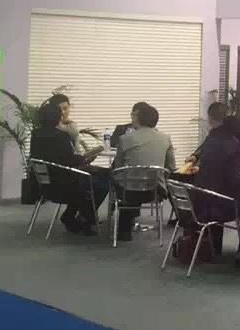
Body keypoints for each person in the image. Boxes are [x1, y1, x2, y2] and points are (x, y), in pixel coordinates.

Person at [29, 100, 110, 235]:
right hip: (66, 185)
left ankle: (74, 216)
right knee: (103, 180)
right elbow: (69, 160)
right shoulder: (61, 136)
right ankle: (84, 218)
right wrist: (84, 158)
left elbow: (56, 159)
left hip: (46, 185)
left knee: (95, 177)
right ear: (58, 117)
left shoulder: (35, 135)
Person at [112, 103, 176, 241]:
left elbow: (117, 167)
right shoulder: (165, 138)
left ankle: (123, 229)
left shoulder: (125, 138)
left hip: (128, 191)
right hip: (154, 191)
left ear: (139, 119)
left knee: (119, 180)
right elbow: (171, 167)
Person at [192, 113, 240, 251]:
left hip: (199, 201)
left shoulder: (211, 138)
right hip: (220, 205)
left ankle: (215, 248)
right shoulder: (236, 146)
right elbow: (234, 180)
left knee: (218, 189)